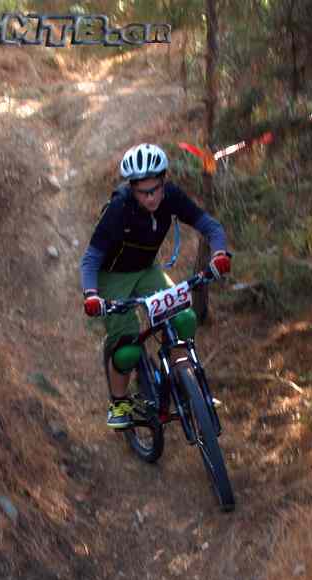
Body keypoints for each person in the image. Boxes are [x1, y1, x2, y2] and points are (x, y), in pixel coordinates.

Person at [80, 143, 231, 429]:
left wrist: (220, 253)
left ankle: (188, 385)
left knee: (183, 319)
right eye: (142, 192)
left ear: (164, 182)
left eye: (155, 189)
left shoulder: (171, 196)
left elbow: (210, 226)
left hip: (147, 270)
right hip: (112, 276)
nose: (150, 198)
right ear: (132, 188)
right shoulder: (119, 208)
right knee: (127, 348)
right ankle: (119, 403)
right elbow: (91, 258)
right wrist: (91, 295)